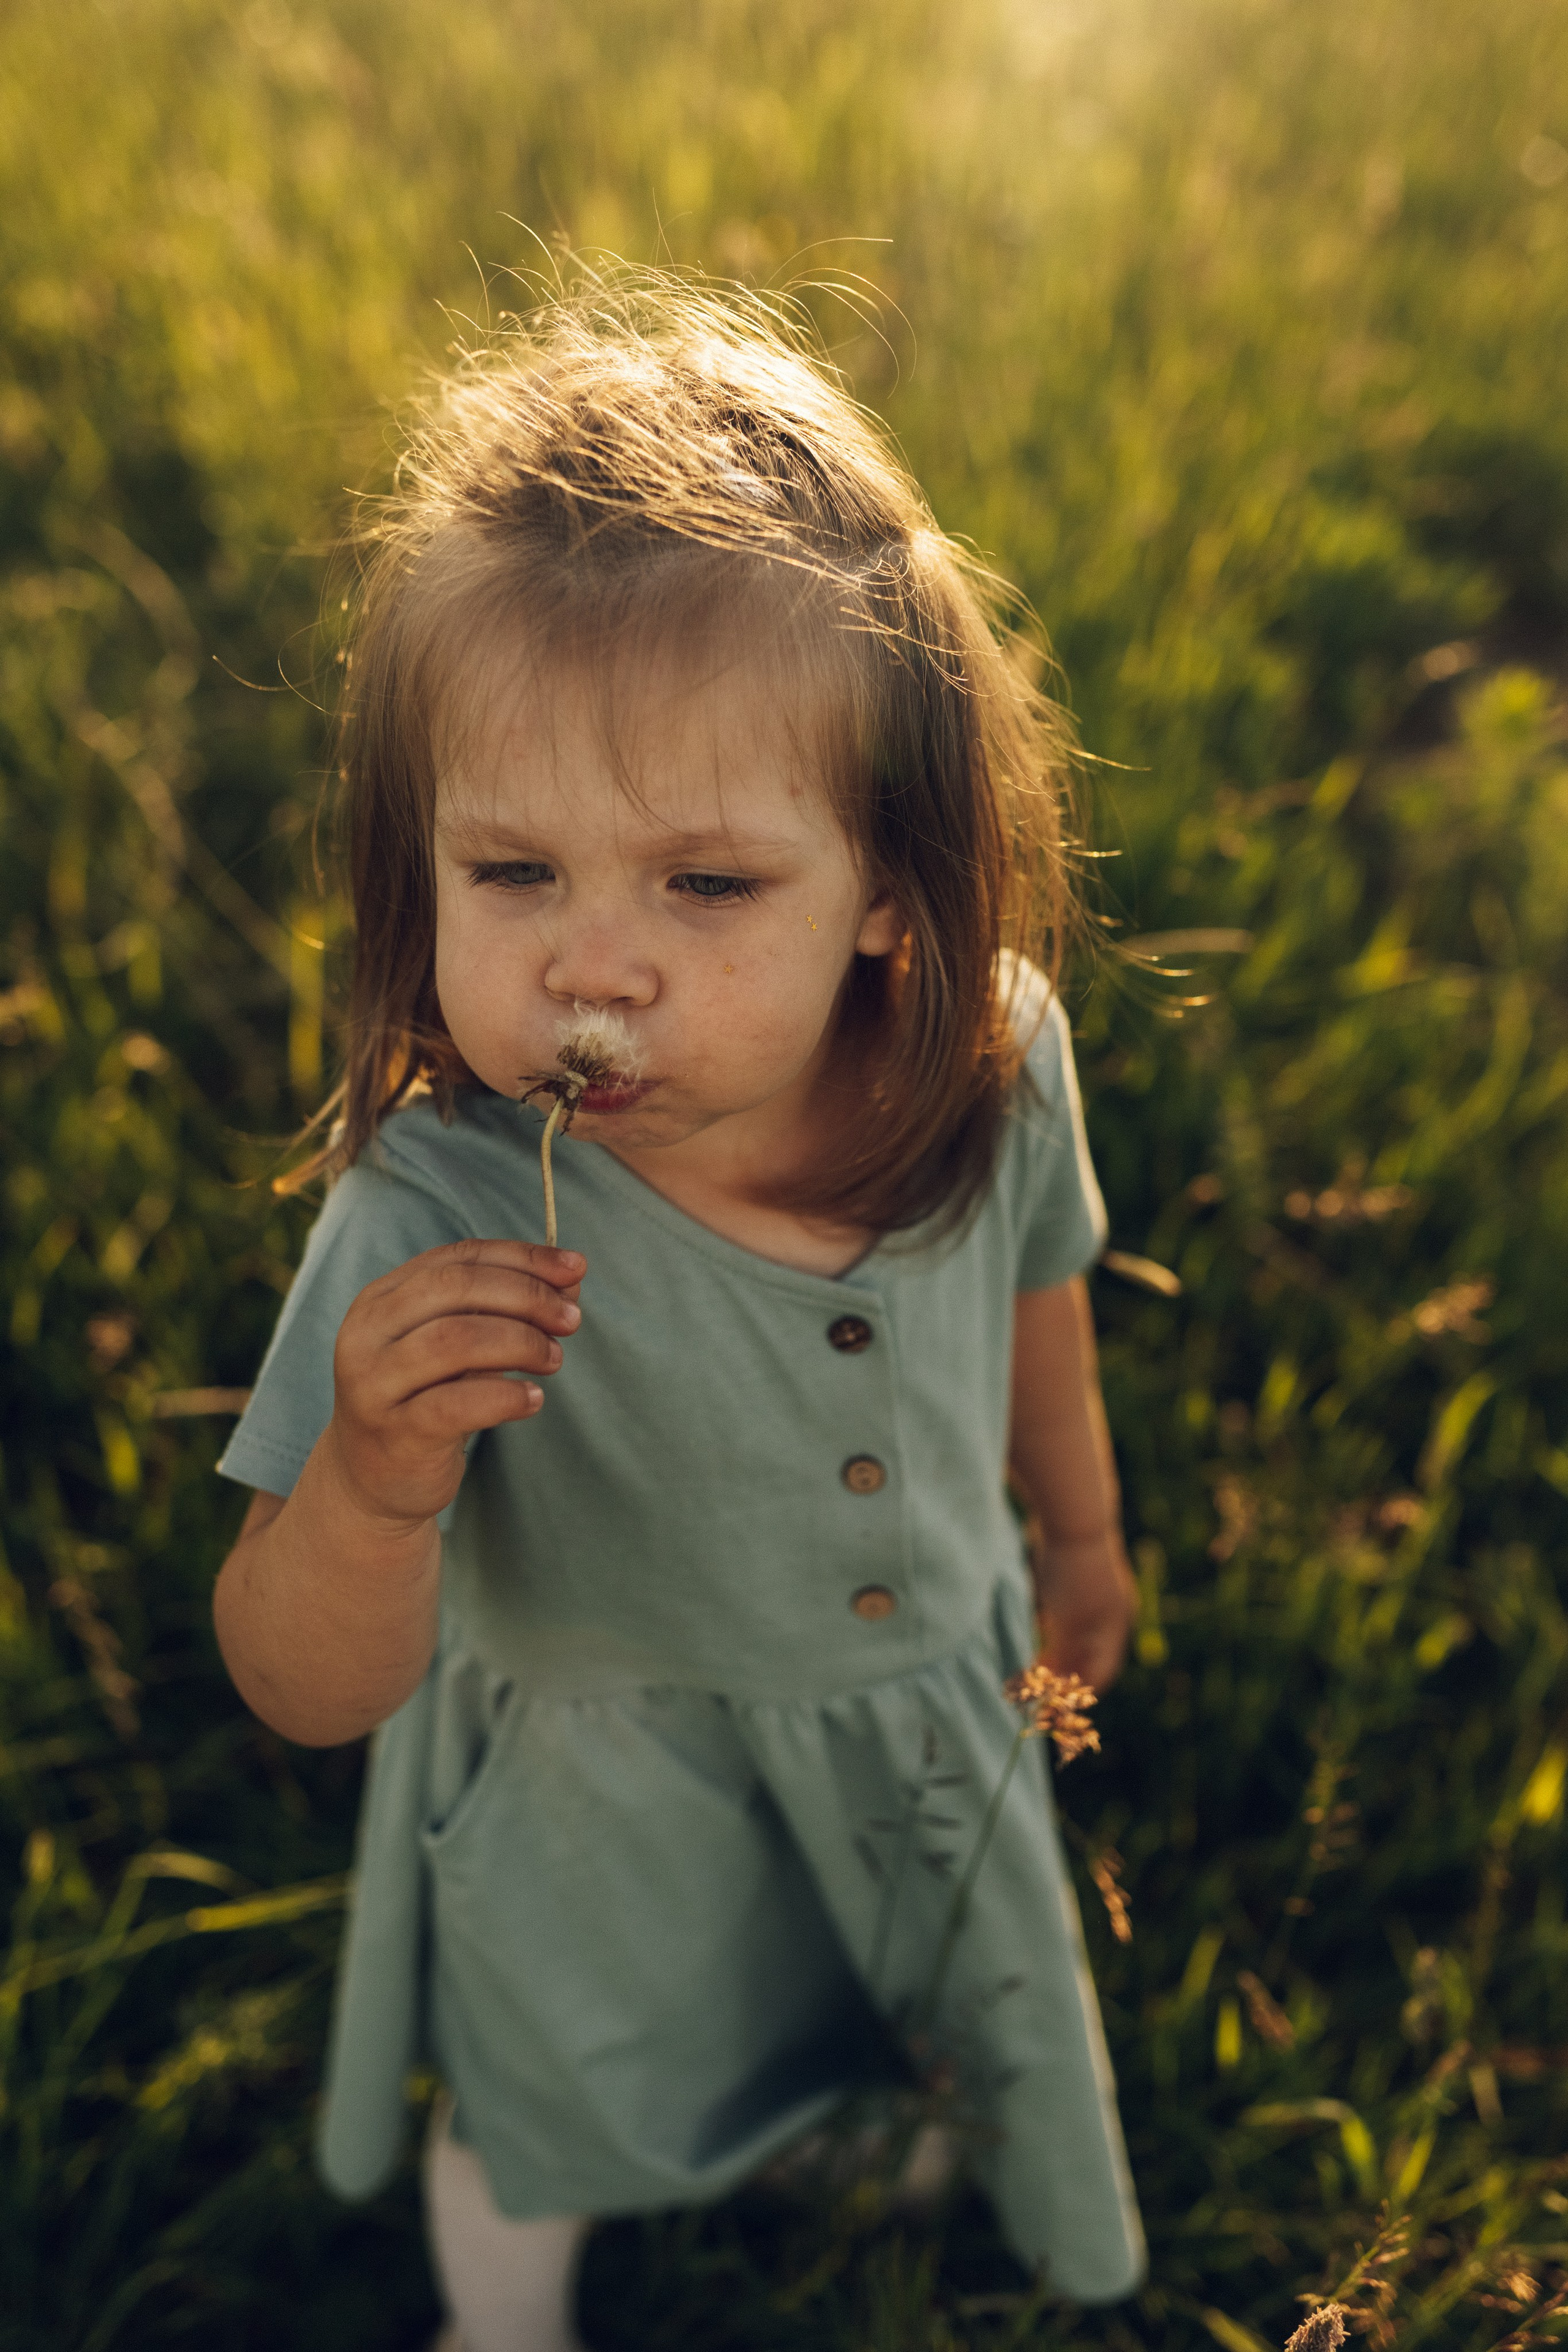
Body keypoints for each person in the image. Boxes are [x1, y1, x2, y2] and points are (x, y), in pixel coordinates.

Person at [213, 273, 1146, 2352]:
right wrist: (372, 1482)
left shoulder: (987, 1063)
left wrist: (1076, 1532)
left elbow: (1037, 1304)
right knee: (561, 2078)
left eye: (707, 888)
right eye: (513, 875)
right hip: (599, 1792)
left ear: (895, 889)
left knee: (859, 1980)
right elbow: (300, 1685)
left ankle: (826, 2117)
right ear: (415, 867)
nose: (594, 973)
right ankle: (508, 2307)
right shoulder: (432, 1215)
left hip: (912, 1718)